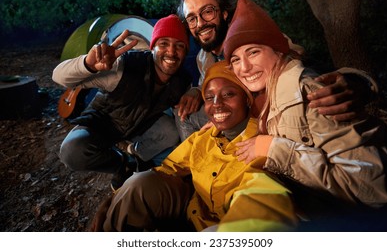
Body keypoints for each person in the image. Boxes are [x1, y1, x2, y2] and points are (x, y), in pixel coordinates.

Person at [223, 0, 387, 228]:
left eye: (253, 53)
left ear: (279, 51)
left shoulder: (311, 94)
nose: (244, 67)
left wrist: (275, 149)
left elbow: (370, 189)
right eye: (236, 59)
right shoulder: (269, 92)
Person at [97, 60, 298, 232]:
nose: (217, 103)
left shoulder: (262, 144)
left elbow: (263, 199)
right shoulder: (203, 137)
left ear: (246, 98)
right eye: (209, 97)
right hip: (190, 211)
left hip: (218, 226)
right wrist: (122, 196)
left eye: (228, 94)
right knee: (139, 183)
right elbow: (168, 169)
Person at [173, 0, 378, 142]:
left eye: (207, 12)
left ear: (225, 13)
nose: (200, 23)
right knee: (183, 113)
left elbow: (298, 62)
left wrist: (355, 82)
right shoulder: (203, 57)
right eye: (192, 18)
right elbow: (212, 82)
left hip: (269, 120)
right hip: (240, 118)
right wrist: (196, 89)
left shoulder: (251, 36)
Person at [52, 14, 192, 190]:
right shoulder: (125, 66)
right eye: (163, 44)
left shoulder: (183, 80)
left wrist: (196, 92)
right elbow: (57, 76)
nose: (171, 52)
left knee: (171, 131)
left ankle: (136, 156)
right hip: (104, 122)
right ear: (152, 47)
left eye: (179, 46)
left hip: (137, 126)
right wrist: (88, 64)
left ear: (186, 51)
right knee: (72, 151)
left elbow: (195, 90)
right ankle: (123, 164)